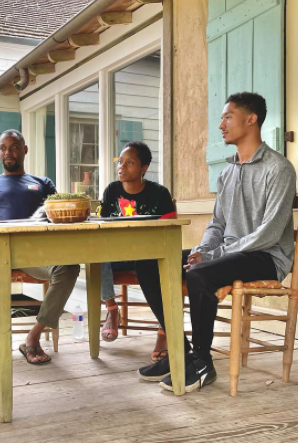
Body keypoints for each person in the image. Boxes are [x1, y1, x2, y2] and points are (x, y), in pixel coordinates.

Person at [138, 91, 296, 392]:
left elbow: (270, 234)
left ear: (251, 119)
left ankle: (201, 364)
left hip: (266, 256)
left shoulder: (279, 169)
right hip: (228, 254)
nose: (221, 125)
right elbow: (218, 223)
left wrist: (212, 256)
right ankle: (180, 353)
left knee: (200, 274)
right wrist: (203, 249)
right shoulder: (227, 172)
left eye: (228, 117)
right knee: (149, 263)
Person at [0, 129, 80, 365]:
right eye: (3, 147)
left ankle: (33, 337)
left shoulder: (42, 183)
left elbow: (57, 215)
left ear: (24, 150)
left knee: (69, 267)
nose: (8, 152)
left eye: (14, 147)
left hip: (35, 255)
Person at [99, 141, 178, 362]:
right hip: (118, 254)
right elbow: (102, 228)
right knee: (94, 256)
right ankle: (112, 309)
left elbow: (169, 232)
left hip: (148, 255)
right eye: (120, 162)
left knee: (150, 263)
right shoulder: (112, 191)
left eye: (130, 163)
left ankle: (163, 329)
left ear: (144, 168)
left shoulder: (159, 193)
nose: (122, 167)